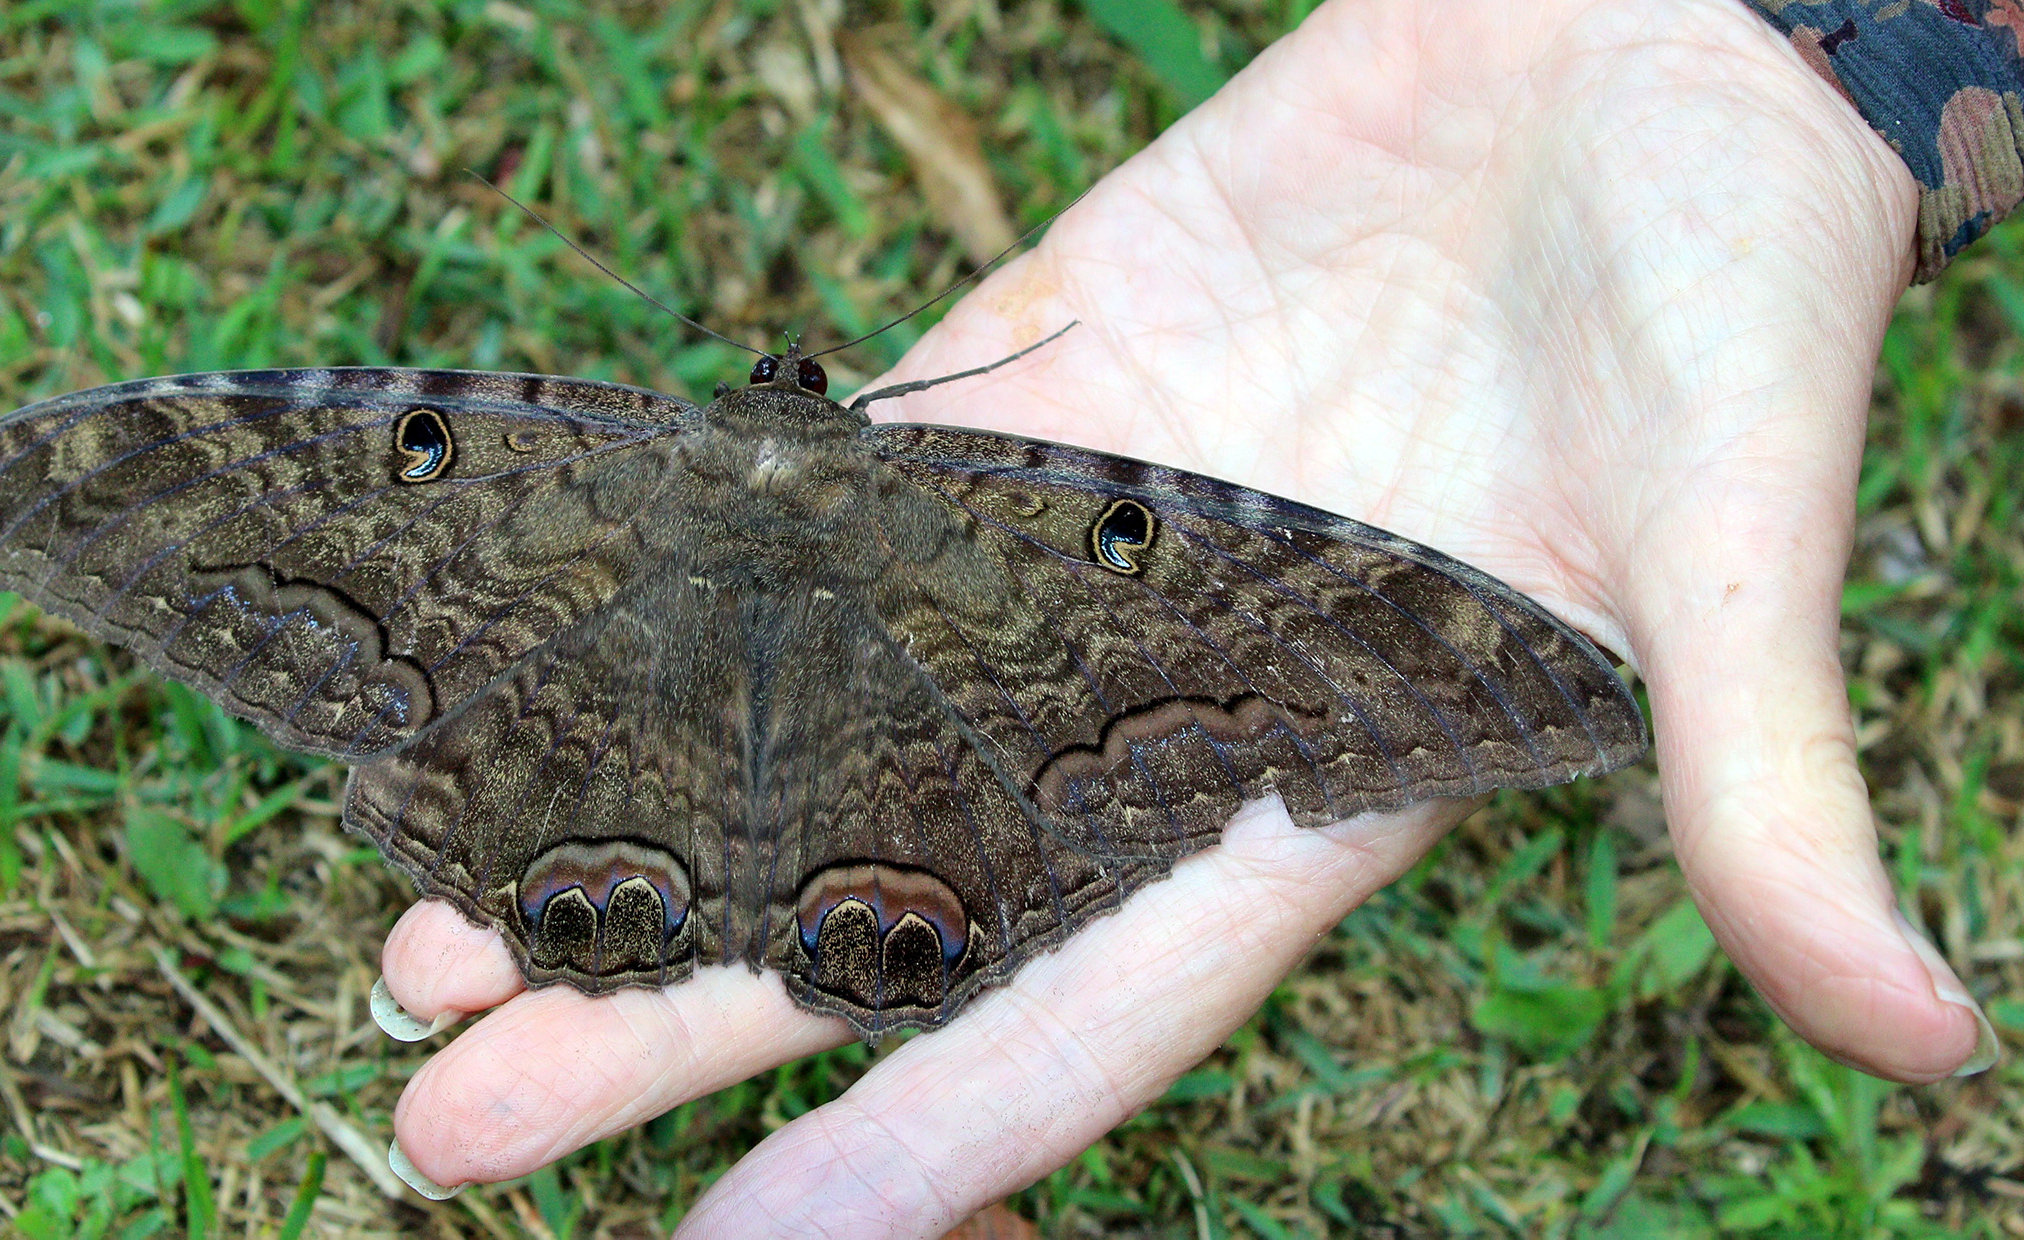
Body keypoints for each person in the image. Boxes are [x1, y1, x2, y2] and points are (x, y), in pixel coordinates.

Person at [371, 0, 2006, 1231]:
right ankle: (785, 895)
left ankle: (614, 881)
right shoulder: (1002, 509)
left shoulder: (568, 463)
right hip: (921, 808)